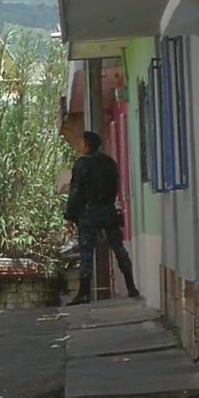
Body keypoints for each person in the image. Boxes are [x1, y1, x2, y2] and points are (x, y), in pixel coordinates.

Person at [64, 130, 140, 306]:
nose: (80, 145)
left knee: (86, 252)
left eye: (82, 142)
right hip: (108, 210)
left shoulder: (82, 164)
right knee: (118, 248)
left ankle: (84, 292)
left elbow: (75, 191)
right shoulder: (109, 163)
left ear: (87, 145)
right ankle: (131, 285)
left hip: (89, 212)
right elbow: (115, 186)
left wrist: (70, 216)